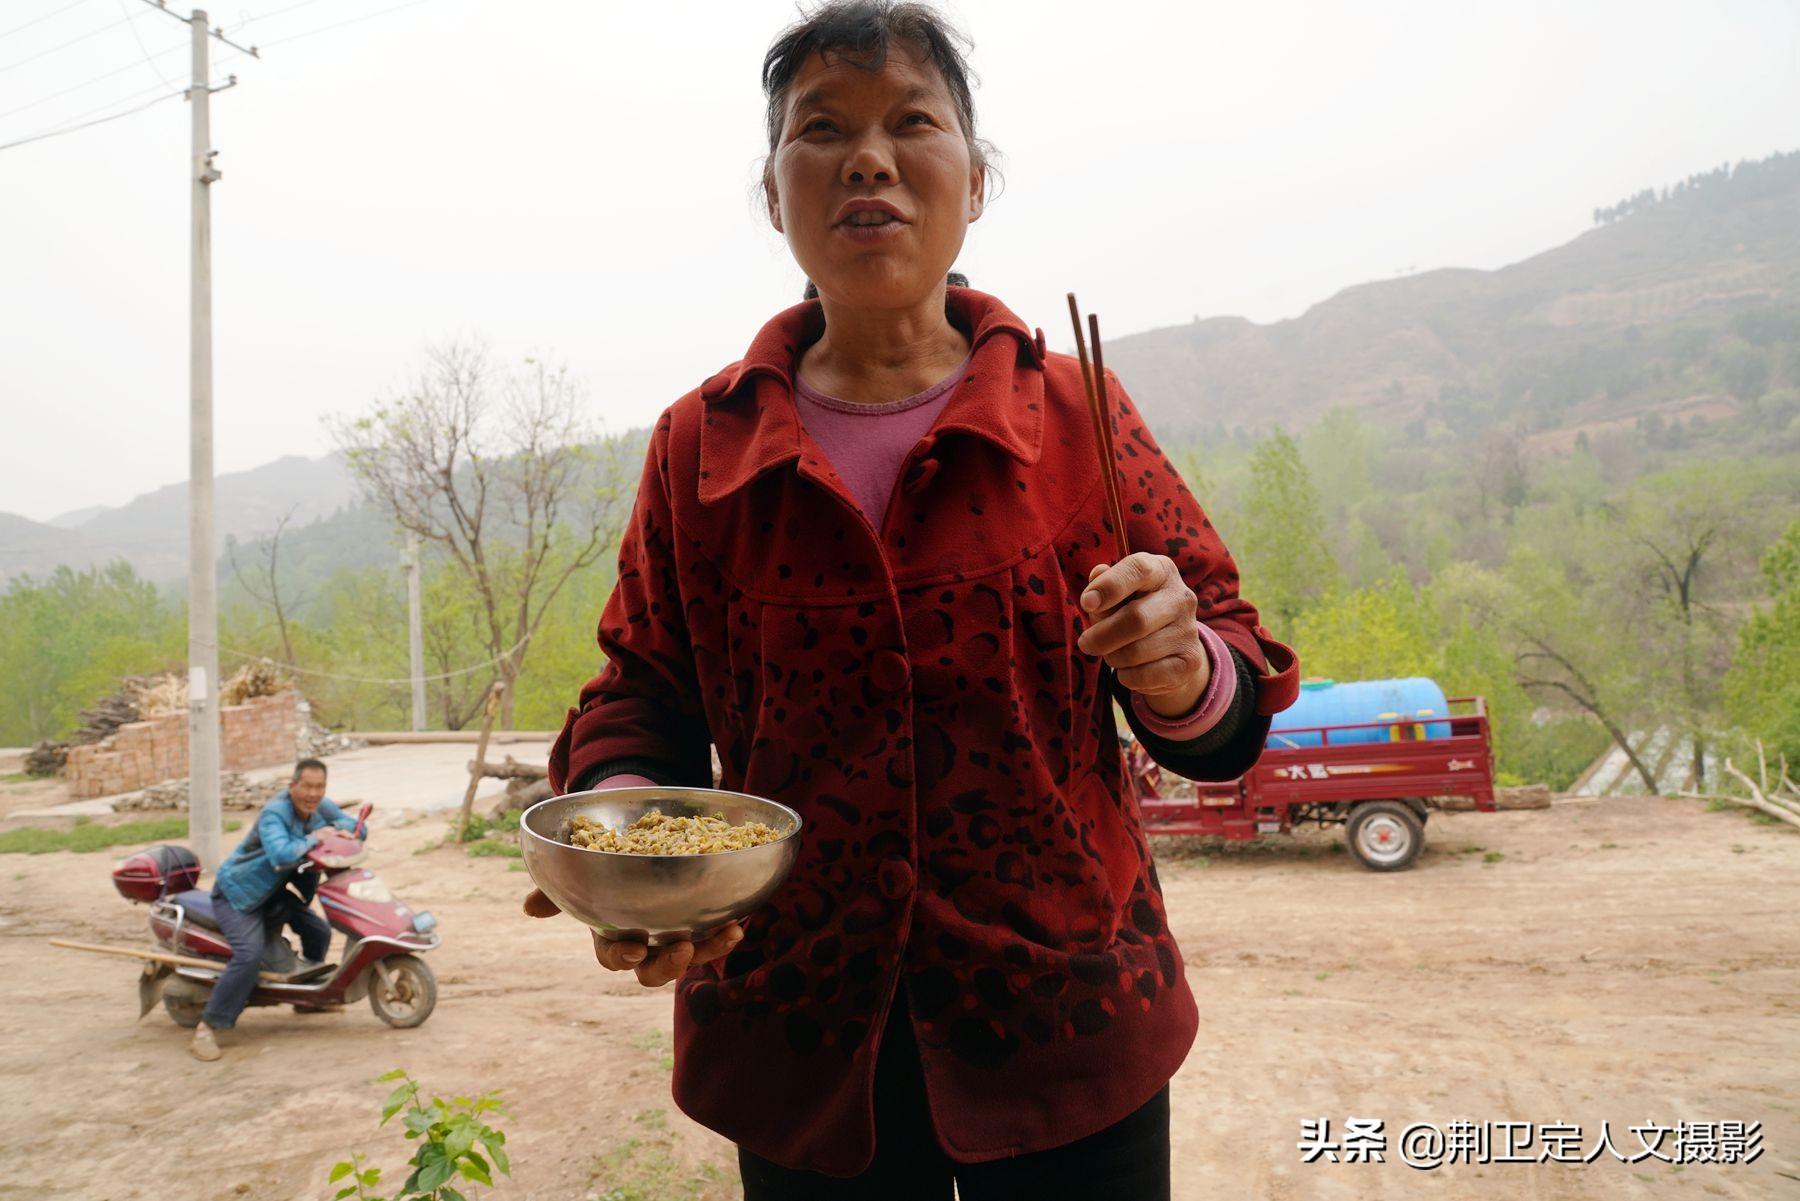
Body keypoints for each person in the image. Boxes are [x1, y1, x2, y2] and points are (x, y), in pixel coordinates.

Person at [525, 2, 1299, 1195]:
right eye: (820, 128)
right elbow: (642, 694)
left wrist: (1181, 668)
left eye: (911, 123)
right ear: (774, 192)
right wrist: (636, 851)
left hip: (1068, 1026)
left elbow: (1232, 677)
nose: (867, 157)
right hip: (800, 1033)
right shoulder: (703, 448)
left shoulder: (1075, 413)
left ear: (976, 181)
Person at [190, 757, 357, 1062]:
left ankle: (306, 999)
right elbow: (281, 854)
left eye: (320, 787)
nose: (313, 793)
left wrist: (343, 830)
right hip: (239, 895)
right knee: (249, 956)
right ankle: (207, 1026)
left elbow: (354, 825)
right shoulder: (274, 813)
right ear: (292, 785)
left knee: (318, 930)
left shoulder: (319, 804)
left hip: (272, 892)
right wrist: (316, 836)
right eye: (307, 786)